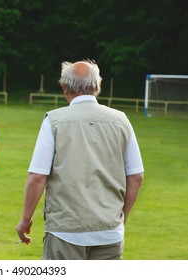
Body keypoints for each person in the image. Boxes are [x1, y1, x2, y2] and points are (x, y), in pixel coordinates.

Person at [15, 60, 144, 260]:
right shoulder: (122, 120)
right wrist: (121, 218)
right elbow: (136, 176)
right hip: (109, 231)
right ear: (97, 86)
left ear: (64, 87)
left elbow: (38, 177)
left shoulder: (53, 121)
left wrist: (25, 219)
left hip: (65, 231)